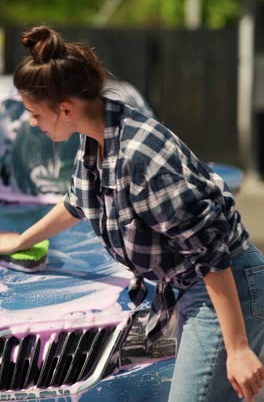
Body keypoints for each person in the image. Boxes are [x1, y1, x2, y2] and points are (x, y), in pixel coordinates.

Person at [0, 26, 263, 402]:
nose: (31, 122)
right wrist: (23, 240)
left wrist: (237, 348)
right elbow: (77, 202)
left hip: (225, 289)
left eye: (34, 113)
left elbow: (212, 254)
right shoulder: (96, 140)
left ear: (66, 109)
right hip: (195, 288)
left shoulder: (140, 157)